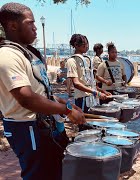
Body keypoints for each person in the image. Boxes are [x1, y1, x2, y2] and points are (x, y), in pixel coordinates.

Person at [0, 3, 85, 179]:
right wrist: (67, 111)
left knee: (55, 171)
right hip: (27, 127)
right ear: (13, 25)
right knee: (38, 174)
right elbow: (27, 99)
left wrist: (64, 103)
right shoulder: (7, 55)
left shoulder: (27, 52)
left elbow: (41, 91)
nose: (35, 27)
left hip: (44, 124)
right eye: (30, 23)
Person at [66, 34, 110, 130]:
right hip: (82, 99)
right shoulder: (71, 61)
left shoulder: (86, 59)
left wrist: (101, 91)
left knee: (93, 125)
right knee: (84, 126)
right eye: (84, 44)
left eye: (87, 44)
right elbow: (76, 83)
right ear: (76, 45)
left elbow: (91, 82)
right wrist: (96, 92)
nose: (87, 46)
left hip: (92, 98)